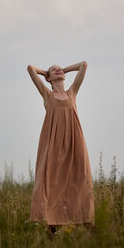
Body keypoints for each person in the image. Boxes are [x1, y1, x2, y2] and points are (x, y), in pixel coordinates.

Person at [27, 62, 95, 237]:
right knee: (50, 182)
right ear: (49, 79)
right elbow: (30, 68)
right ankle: (51, 226)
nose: (57, 70)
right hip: (53, 145)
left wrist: (62, 70)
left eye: (59, 69)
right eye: (53, 69)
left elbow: (83, 66)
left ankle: (85, 223)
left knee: (81, 178)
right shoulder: (47, 94)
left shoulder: (72, 92)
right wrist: (45, 73)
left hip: (75, 142)